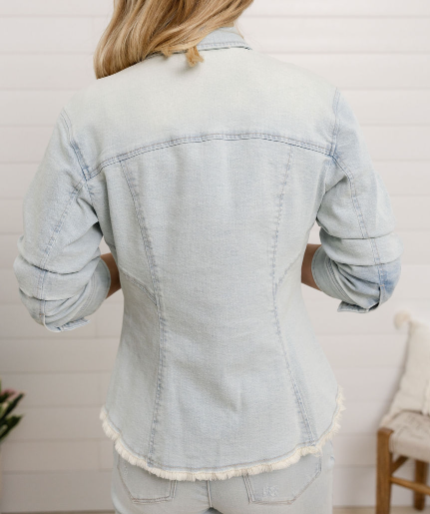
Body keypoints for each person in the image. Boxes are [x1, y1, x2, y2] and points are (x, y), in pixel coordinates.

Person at [13, 0, 403, 512]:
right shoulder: (315, 102)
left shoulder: (91, 115)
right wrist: (280, 260)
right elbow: (371, 276)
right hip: (280, 429)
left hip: (157, 439)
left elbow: (50, 296)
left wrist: (135, 264)